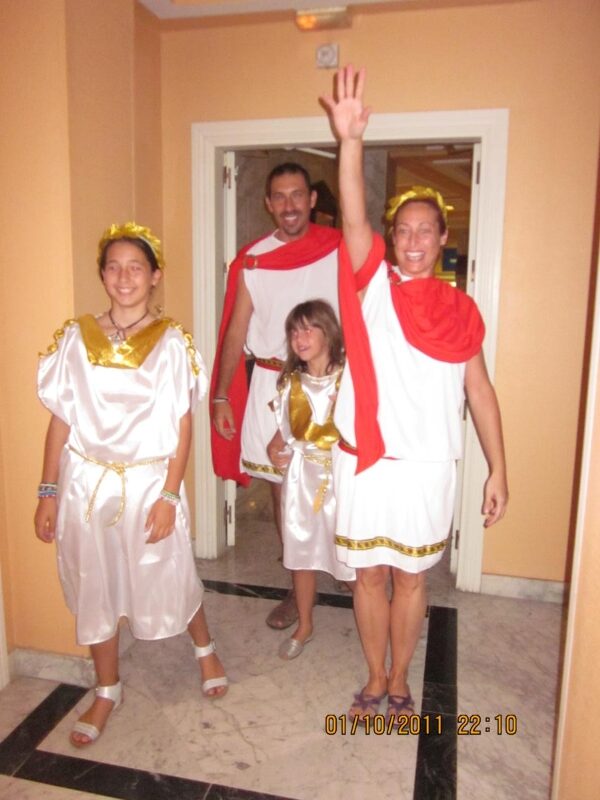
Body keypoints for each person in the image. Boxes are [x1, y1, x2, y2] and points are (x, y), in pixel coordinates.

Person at [321, 67, 508, 724]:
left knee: (412, 577)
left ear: (443, 239)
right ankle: (374, 675)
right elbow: (352, 213)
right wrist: (350, 141)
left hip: (428, 467)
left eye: (426, 229)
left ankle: (401, 675)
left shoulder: (461, 311)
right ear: (392, 238)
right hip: (366, 461)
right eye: (403, 229)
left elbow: (480, 391)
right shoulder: (373, 283)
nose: (414, 239)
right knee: (368, 575)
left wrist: (498, 469)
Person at [34, 222, 228, 748]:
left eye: (135, 267)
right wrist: (48, 491)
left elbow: (183, 425)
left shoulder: (171, 342)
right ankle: (107, 688)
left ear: (155, 276)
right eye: (114, 267)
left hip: (147, 483)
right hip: (86, 486)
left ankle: (204, 647)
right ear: (102, 275)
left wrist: (169, 494)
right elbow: (61, 419)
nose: (124, 277)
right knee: (94, 584)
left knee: (169, 570)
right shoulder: (76, 338)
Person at [210, 163, 342, 630]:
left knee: (338, 483)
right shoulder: (253, 260)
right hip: (271, 381)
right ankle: (296, 583)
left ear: (312, 200)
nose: (289, 205)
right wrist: (221, 396)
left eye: (297, 195)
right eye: (279, 196)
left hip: (330, 382)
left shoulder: (338, 249)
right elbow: (236, 329)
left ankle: (348, 566)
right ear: (268, 204)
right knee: (284, 491)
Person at [266, 300, 355, 660]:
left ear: (328, 332)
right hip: (302, 479)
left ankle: (375, 616)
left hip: (342, 478)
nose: (299, 338)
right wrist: (275, 446)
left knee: (351, 559)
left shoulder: (349, 378)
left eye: (308, 329)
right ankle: (305, 624)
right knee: (301, 553)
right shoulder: (290, 383)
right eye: (293, 331)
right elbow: (285, 430)